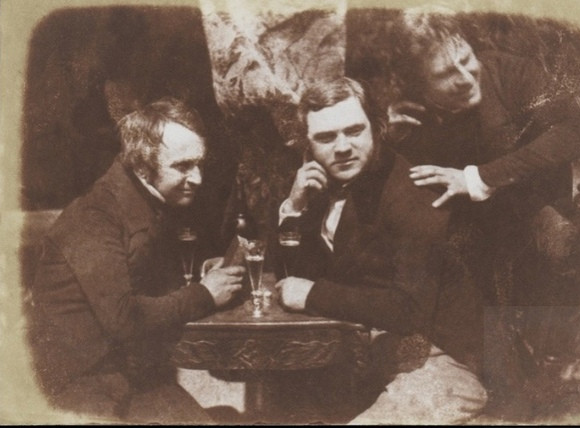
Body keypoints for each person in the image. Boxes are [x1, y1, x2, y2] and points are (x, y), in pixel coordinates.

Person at [386, 10, 580, 417]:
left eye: (466, 59)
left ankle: (546, 366)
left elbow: (577, 132)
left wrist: (481, 177)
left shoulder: (511, 72)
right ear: (418, 84)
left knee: (554, 243)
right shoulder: (410, 112)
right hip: (470, 231)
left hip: (536, 214)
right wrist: (393, 142)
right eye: (445, 74)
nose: (465, 76)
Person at [275, 77, 487, 424]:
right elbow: (290, 276)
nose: (342, 147)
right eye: (326, 138)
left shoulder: (414, 194)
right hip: (369, 358)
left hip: (444, 365)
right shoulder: (323, 187)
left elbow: (409, 310)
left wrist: (312, 294)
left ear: (377, 128)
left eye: (354, 131)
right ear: (307, 146)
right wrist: (294, 206)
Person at [28, 97, 245, 423]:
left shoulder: (143, 200)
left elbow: (147, 286)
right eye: (183, 166)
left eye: (199, 164)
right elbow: (125, 318)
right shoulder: (95, 216)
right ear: (142, 166)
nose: (198, 178)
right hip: (78, 389)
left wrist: (203, 276)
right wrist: (204, 294)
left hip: (130, 380)